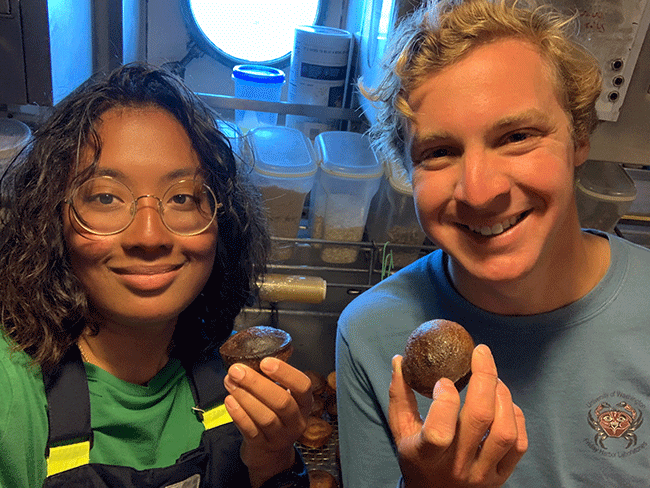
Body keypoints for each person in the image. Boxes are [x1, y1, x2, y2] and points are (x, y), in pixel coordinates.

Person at [336, 0, 650, 486]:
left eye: (518, 136)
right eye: (439, 152)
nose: (480, 192)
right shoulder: (372, 334)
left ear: (580, 138)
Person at [0, 63, 312, 488]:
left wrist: (273, 460)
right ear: (51, 219)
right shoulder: (10, 394)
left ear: (223, 219)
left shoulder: (235, 384)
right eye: (106, 197)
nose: (149, 236)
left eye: (182, 197)